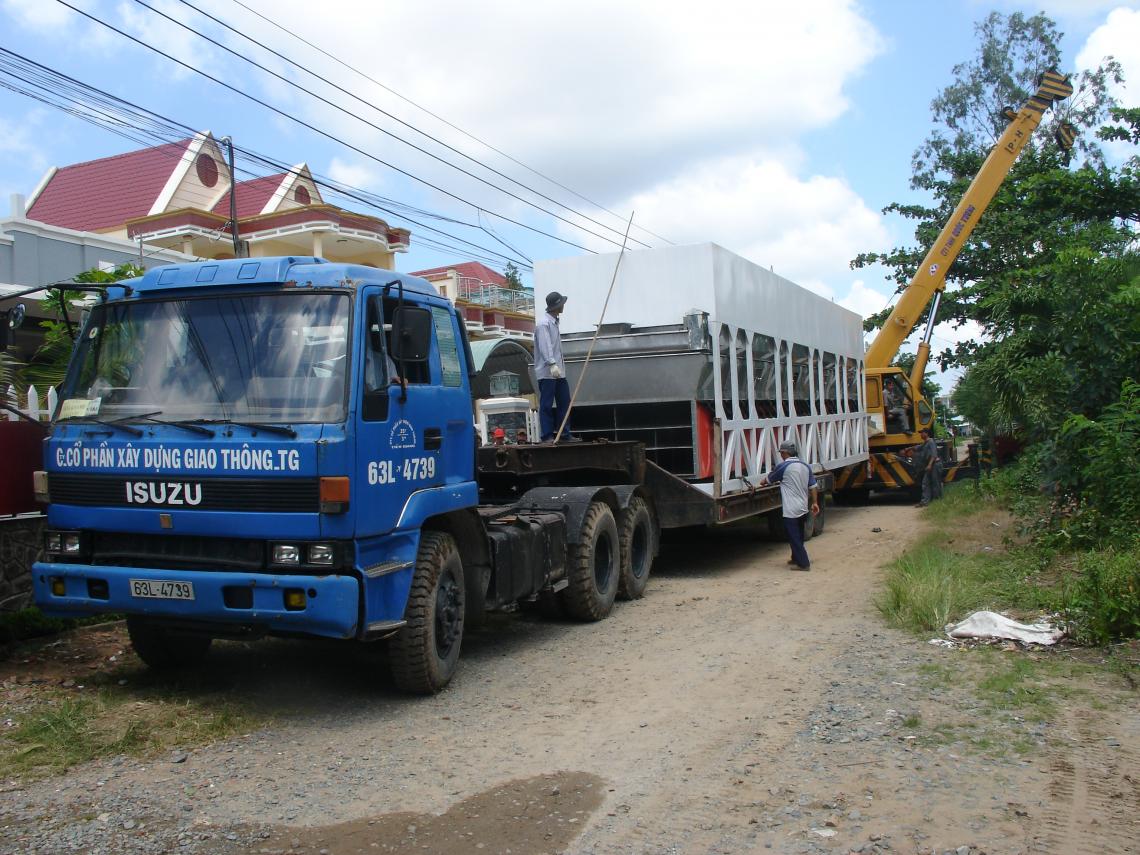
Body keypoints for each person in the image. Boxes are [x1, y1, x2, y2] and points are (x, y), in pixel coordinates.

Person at [759, 439, 820, 571]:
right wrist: (815, 503)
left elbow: (767, 480)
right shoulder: (805, 466)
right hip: (803, 507)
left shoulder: (782, 467)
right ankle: (795, 558)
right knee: (798, 533)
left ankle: (804, 564)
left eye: (781, 452)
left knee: (793, 536)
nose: (780, 455)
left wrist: (760, 483)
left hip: (791, 509)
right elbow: (813, 486)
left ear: (785, 453)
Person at [534, 291, 579, 443]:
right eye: (562, 304)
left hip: (559, 371)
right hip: (547, 372)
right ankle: (547, 436)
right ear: (556, 306)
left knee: (564, 402)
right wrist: (552, 364)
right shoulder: (543, 324)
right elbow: (545, 346)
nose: (563, 306)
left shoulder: (554, 322)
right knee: (546, 404)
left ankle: (565, 434)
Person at [914, 428, 940, 507]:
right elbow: (918, 448)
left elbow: (934, 455)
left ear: (926, 433)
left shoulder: (931, 442)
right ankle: (925, 501)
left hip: (934, 465)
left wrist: (929, 465)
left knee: (935, 482)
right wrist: (908, 448)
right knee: (925, 483)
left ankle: (937, 500)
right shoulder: (925, 443)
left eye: (922, 433)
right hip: (929, 466)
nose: (920, 434)